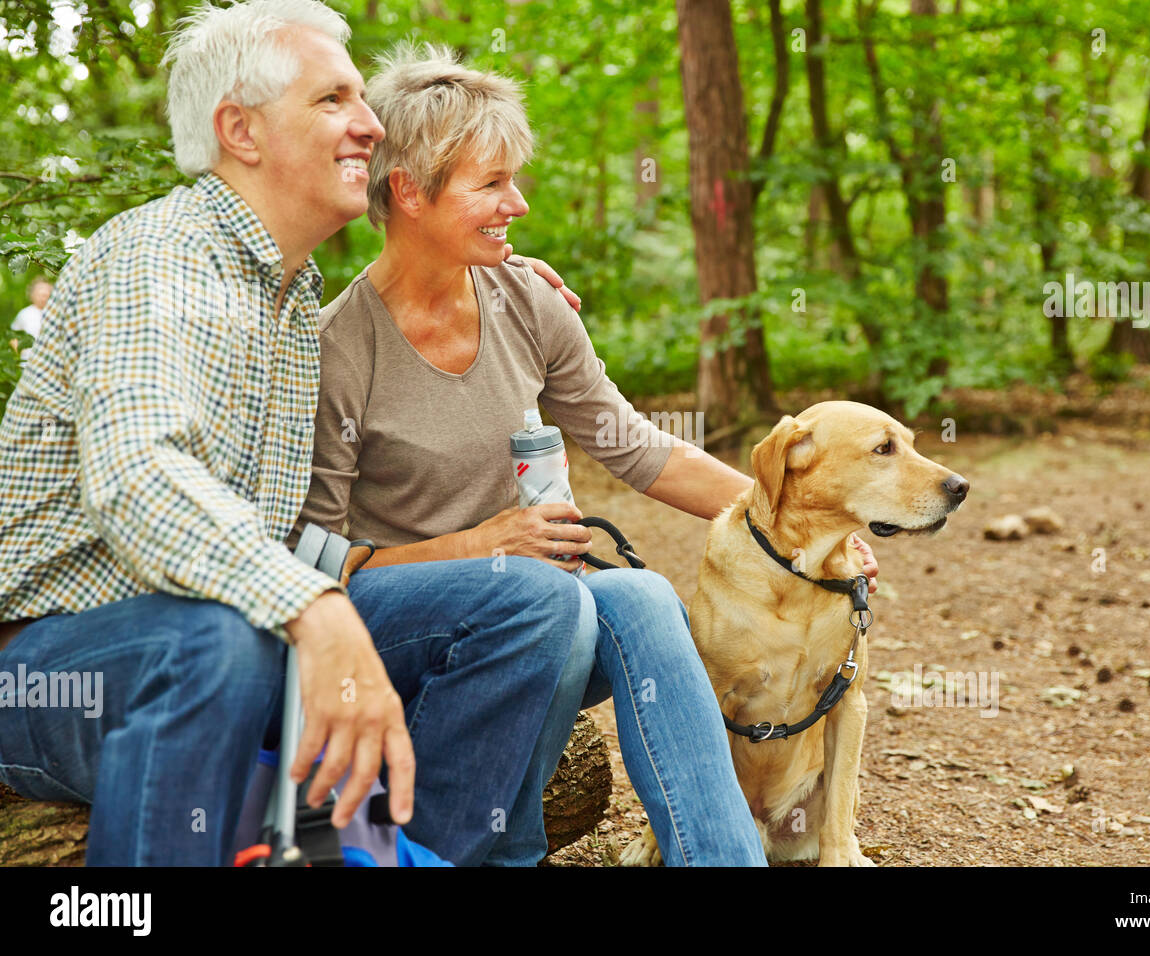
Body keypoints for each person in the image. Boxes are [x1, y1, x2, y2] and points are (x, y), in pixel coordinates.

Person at [0, 0, 590, 867]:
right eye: (333, 101)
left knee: (526, 599)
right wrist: (313, 608)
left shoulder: (293, 299)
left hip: (245, 633)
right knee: (213, 641)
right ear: (240, 130)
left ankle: (424, 854)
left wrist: (498, 270)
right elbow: (137, 472)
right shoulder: (162, 258)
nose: (371, 124)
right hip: (62, 666)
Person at [294, 44, 880, 866]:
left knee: (639, 596)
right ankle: (487, 851)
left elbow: (633, 447)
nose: (518, 204)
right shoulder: (335, 350)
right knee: (548, 599)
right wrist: (480, 548)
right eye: (491, 184)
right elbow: (314, 567)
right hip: (396, 631)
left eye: (514, 180)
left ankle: (718, 858)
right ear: (409, 192)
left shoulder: (528, 299)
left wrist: (797, 523)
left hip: (542, 619)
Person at [12, 277, 51, 342]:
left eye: (46, 295)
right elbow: (13, 336)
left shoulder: (55, 312)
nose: (43, 298)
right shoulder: (24, 313)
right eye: (41, 295)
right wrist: (19, 351)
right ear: (32, 295)